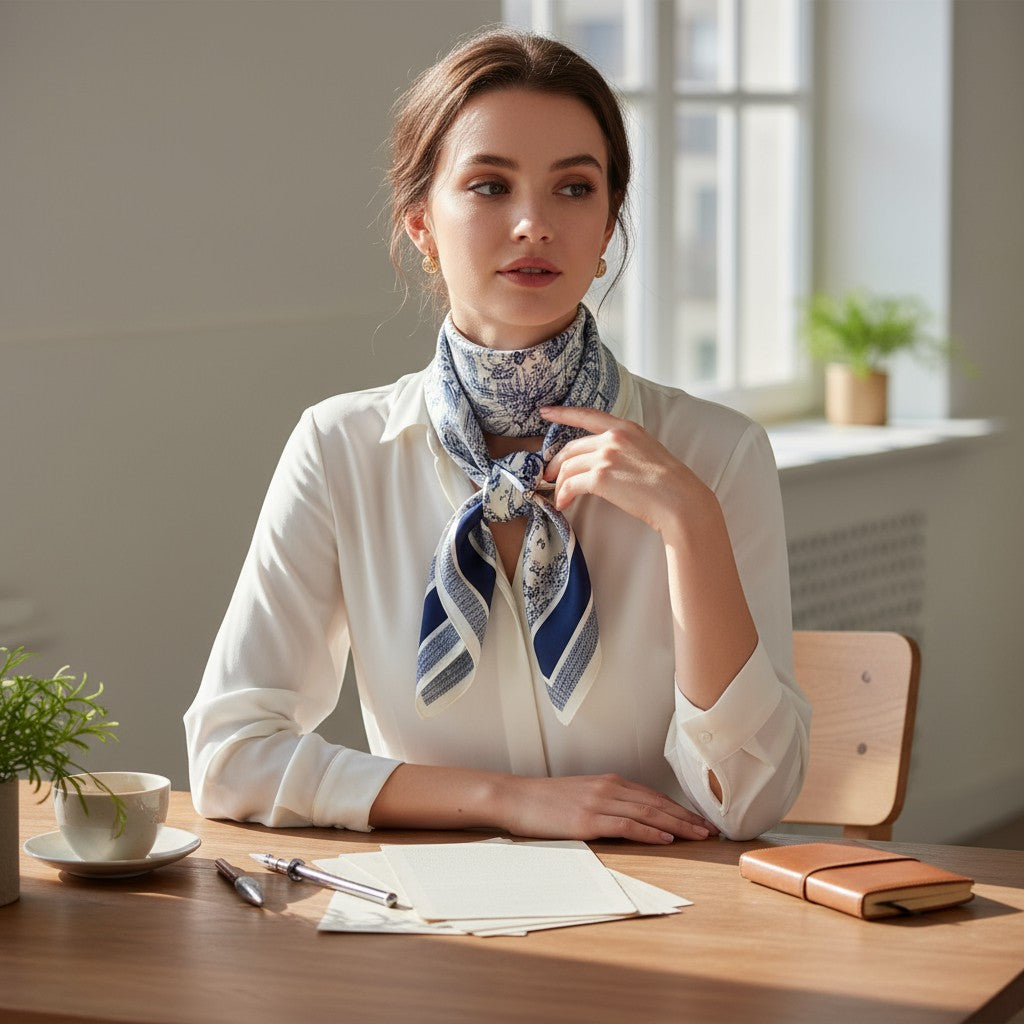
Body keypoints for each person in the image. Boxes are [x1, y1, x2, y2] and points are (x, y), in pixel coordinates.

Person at [184, 28, 810, 844]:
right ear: (421, 226)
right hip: (436, 926)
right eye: (488, 186)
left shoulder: (714, 453)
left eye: (574, 189)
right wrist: (500, 800)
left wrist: (692, 527)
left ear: (610, 225)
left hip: (672, 922)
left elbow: (750, 804)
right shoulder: (340, 449)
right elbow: (231, 756)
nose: (532, 224)